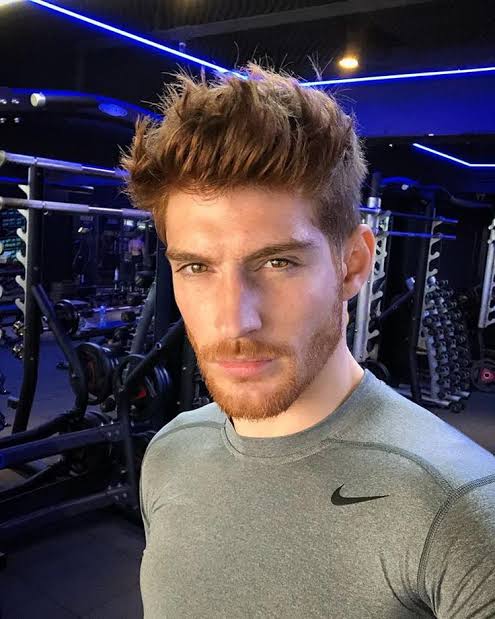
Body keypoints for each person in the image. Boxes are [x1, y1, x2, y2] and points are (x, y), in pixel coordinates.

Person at [122, 64, 495, 617]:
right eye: (197, 267)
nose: (233, 322)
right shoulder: (169, 452)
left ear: (353, 264)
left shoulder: (463, 516)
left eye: (278, 262)